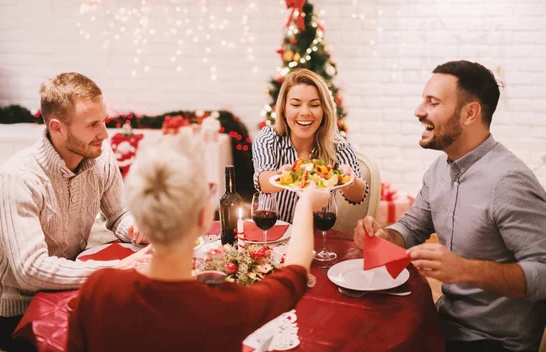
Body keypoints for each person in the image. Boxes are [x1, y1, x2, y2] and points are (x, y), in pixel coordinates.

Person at [67, 131, 330, 352]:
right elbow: (294, 273)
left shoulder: (99, 289)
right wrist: (305, 203)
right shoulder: (226, 307)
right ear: (205, 216)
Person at [354, 61, 546, 352]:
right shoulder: (439, 170)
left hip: (494, 342)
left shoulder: (509, 181)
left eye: (433, 102)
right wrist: (384, 237)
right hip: (446, 320)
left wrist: (466, 270)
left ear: (470, 113)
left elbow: (542, 272)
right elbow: (411, 227)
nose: (419, 111)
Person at [0, 72, 150, 351]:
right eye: (92, 124)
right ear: (57, 127)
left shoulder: (100, 156)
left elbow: (119, 215)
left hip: (71, 291)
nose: (104, 134)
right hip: (18, 315)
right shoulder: (17, 178)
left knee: (144, 329)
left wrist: (136, 227)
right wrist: (115, 269)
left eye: (104, 120)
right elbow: (30, 270)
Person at [252, 68, 367, 223]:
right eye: (296, 104)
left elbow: (358, 194)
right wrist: (284, 177)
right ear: (284, 109)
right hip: (274, 233)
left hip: (318, 235)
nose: (305, 112)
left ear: (324, 110)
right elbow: (263, 181)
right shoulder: (269, 137)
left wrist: (347, 179)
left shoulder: (338, 146)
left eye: (314, 105)